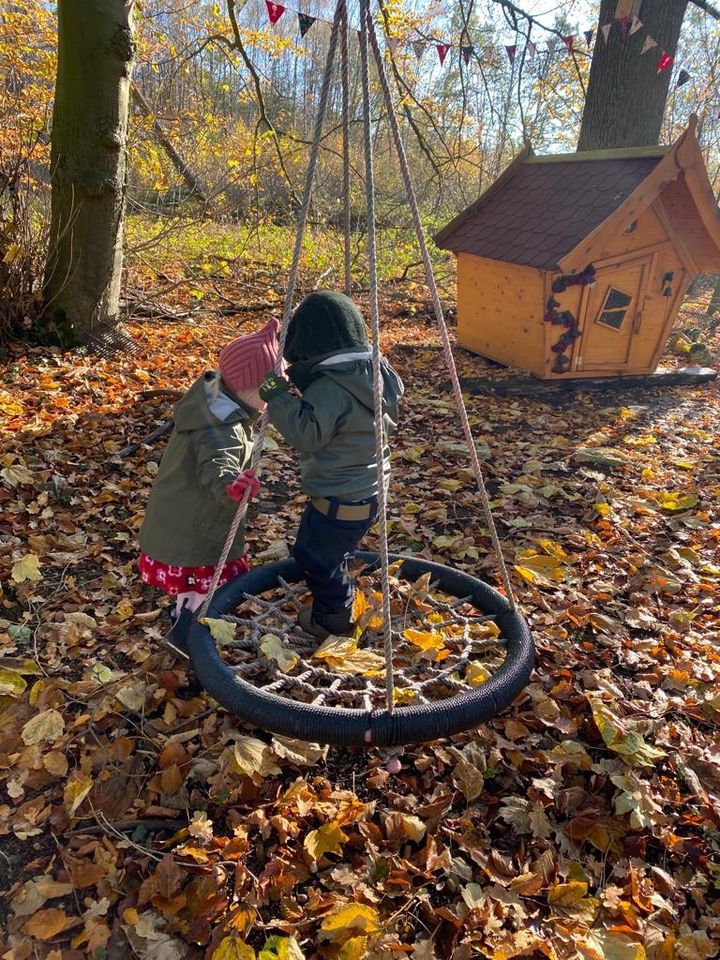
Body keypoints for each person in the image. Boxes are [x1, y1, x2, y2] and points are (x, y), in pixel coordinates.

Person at [259, 291, 404, 640]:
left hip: (340, 497)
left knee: (313, 557)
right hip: (368, 491)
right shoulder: (373, 376)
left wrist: (275, 393)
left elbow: (306, 434)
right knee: (323, 547)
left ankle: (335, 616)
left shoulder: (331, 387)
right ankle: (336, 594)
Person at [138, 318, 279, 654]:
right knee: (205, 590)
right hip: (197, 529)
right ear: (250, 388)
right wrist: (232, 485)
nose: (274, 396)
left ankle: (181, 614)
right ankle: (189, 643)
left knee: (192, 587)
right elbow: (219, 464)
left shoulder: (214, 399)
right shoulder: (224, 426)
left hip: (179, 518)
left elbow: (263, 387)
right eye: (270, 389)